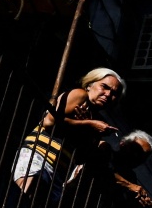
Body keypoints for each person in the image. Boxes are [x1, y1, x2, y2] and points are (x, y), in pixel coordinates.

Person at [13, 67, 124, 195]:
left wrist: (89, 131)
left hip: (59, 170)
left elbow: (81, 155)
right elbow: (49, 121)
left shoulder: (96, 118)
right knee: (23, 195)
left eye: (114, 93)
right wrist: (88, 124)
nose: (108, 94)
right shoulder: (81, 95)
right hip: (40, 154)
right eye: (104, 87)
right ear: (90, 85)